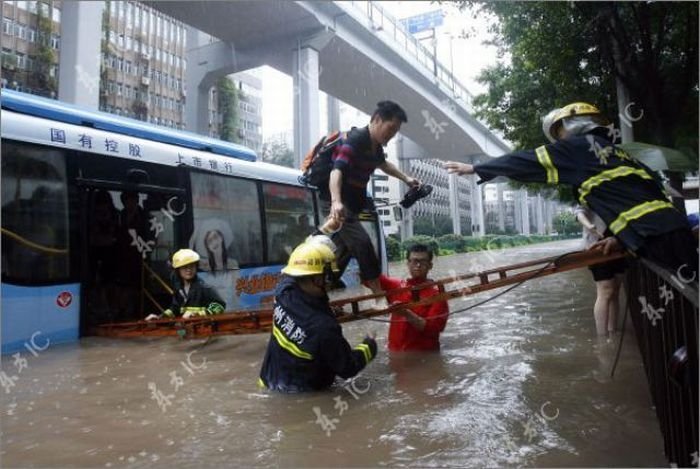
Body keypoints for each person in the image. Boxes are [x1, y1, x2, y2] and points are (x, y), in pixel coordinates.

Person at [444, 102, 698, 280]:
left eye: (560, 131)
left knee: (682, 308)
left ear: (574, 125)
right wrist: (618, 237)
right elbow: (636, 196)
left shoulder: (578, 148)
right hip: (674, 228)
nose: (559, 139)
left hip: (653, 238)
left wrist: (477, 167)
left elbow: (528, 160)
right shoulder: (619, 153)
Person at [323, 100, 421, 303]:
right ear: (377, 120)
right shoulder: (357, 139)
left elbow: (384, 165)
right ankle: (379, 297)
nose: (391, 135)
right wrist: (336, 202)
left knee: (342, 250)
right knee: (363, 243)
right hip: (340, 204)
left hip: (354, 203)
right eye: (390, 128)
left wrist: (407, 179)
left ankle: (321, 289)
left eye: (395, 132)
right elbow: (337, 170)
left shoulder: (374, 147)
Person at [258, 240, 378, 393]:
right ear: (319, 279)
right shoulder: (324, 328)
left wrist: (326, 309)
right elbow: (348, 367)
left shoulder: (283, 291)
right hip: (302, 397)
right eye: (329, 277)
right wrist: (369, 345)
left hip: (268, 382)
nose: (331, 283)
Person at [378, 244, 449, 351]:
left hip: (424, 356)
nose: (418, 265)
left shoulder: (438, 295)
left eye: (423, 261)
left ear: (430, 265)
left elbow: (434, 329)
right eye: (414, 261)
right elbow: (369, 278)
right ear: (408, 263)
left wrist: (407, 314)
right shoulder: (396, 286)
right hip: (395, 353)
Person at [574, 205, 626, 336]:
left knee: (615, 291)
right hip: (596, 246)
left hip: (620, 243)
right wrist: (590, 226)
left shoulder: (619, 192)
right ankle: (602, 337)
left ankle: (613, 331)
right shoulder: (588, 189)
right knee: (606, 290)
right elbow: (579, 212)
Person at [145, 249, 226, 320]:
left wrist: (197, 314)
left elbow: (220, 305)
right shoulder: (179, 288)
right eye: (184, 267)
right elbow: (175, 308)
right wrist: (160, 318)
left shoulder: (204, 288)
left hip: (203, 329)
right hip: (186, 328)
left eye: (192, 266)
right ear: (178, 270)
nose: (189, 270)